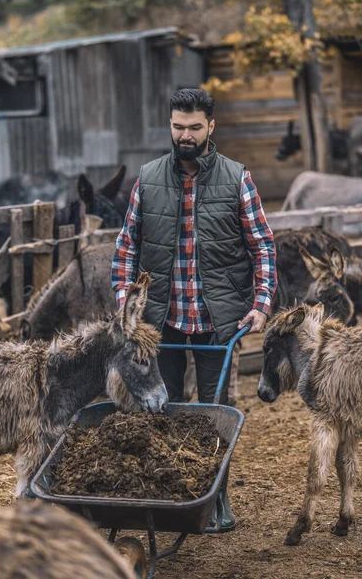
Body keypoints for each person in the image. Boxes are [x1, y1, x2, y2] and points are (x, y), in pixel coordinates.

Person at [111, 88, 277, 529]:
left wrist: (260, 305)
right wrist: (126, 305)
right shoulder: (147, 179)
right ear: (170, 125)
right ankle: (169, 500)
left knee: (214, 412)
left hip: (216, 320)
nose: (185, 135)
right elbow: (126, 247)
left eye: (194, 128)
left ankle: (214, 497)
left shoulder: (236, 177)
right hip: (160, 321)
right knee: (160, 409)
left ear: (211, 127)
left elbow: (262, 246)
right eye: (178, 127)